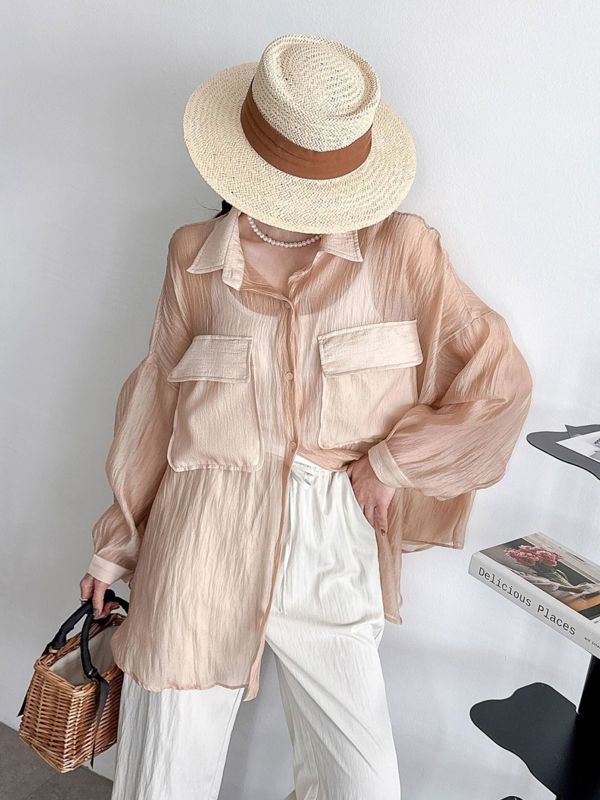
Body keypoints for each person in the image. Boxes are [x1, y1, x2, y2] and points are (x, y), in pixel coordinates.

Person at [79, 34, 533, 800]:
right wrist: (115, 548)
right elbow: (156, 404)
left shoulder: (402, 251)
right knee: (165, 779)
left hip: (331, 540)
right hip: (201, 534)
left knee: (362, 786)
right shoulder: (193, 255)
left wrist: (392, 464)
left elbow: (499, 382)